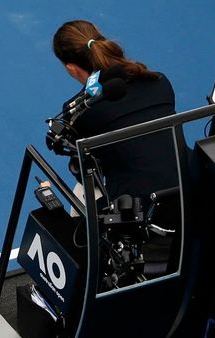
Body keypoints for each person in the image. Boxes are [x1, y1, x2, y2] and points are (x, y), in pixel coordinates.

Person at [52, 19, 179, 204]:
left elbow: (90, 173)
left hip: (140, 207)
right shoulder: (159, 82)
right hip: (188, 187)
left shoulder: (80, 111)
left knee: (81, 191)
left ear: (71, 69)